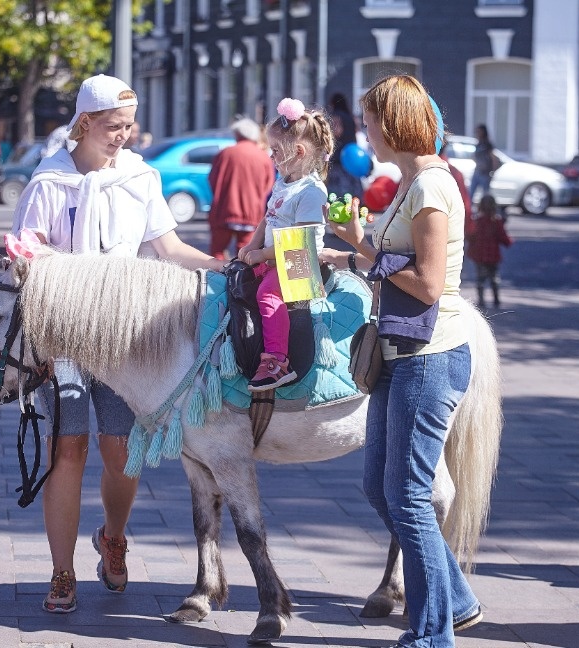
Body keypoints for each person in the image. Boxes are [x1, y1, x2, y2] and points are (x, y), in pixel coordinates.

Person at [10, 74, 225, 614]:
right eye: (112, 126)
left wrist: (221, 266)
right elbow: (25, 254)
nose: (123, 136)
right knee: (68, 448)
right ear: (84, 123)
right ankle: (62, 572)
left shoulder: (139, 178)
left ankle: (113, 536)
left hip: (124, 336)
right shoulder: (49, 182)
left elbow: (167, 246)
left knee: (121, 450)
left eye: (128, 126)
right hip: (62, 334)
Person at [326, 75, 483, 647]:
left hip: (429, 353)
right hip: (399, 351)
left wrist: (367, 259)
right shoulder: (410, 181)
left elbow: (429, 283)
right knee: (378, 487)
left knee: (410, 497)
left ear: (392, 124)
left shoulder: (432, 187)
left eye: (369, 121)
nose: (363, 131)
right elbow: (396, 261)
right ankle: (457, 600)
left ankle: (430, 635)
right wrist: (357, 242)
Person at [236, 98, 333, 392]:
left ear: (298, 152)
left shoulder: (312, 191)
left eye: (276, 151)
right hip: (276, 256)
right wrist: (250, 245)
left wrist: (262, 254)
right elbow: (269, 217)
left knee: (267, 293)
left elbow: (299, 243)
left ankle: (277, 362)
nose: (271, 156)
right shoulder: (284, 180)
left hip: (300, 261)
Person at [207, 117, 275, 260]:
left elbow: (213, 180)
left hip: (224, 211)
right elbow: (268, 186)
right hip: (251, 213)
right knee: (246, 255)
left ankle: (217, 280)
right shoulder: (263, 157)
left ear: (237, 134)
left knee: (217, 253)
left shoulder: (225, 154)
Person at [466, 194, 512, 309]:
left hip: (479, 255)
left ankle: (481, 300)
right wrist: (509, 241)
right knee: (494, 278)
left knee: (480, 278)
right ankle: (496, 299)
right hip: (493, 255)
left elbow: (470, 236)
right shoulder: (496, 222)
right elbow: (503, 237)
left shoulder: (477, 222)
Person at [327, 92, 364, 198]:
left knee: (338, 190)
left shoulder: (336, 116)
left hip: (338, 156)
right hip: (352, 155)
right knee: (353, 183)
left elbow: (336, 132)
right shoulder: (350, 117)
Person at [468, 123, 498, 205]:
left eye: (479, 131)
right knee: (470, 193)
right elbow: (474, 157)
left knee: (486, 195)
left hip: (485, 173)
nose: (477, 133)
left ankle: (486, 212)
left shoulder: (487, 144)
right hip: (477, 171)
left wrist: (492, 171)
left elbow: (493, 158)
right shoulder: (478, 144)